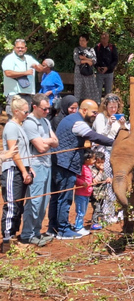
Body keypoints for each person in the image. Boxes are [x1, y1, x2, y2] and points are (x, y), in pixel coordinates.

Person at [48, 100, 114, 240]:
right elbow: (94, 136)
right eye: (94, 112)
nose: (95, 115)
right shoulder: (78, 123)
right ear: (84, 110)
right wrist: (114, 142)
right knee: (64, 198)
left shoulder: (71, 119)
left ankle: (53, 227)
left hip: (60, 162)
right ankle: (63, 229)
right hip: (65, 164)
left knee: (56, 197)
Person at [20, 93, 59, 246]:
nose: (47, 111)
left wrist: (47, 140)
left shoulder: (45, 121)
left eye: (48, 108)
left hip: (47, 165)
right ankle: (27, 233)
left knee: (44, 202)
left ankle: (36, 232)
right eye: (44, 109)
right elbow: (41, 148)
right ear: (34, 107)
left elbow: (56, 142)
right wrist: (48, 141)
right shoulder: (30, 123)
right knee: (34, 202)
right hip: (36, 165)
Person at [1, 96, 34, 247]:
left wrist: (29, 168)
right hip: (13, 170)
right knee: (12, 205)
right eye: (25, 112)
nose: (27, 114)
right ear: (16, 111)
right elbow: (14, 152)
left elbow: (24, 150)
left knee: (19, 205)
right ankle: (7, 239)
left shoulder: (19, 125)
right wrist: (23, 171)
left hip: (22, 168)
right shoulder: (11, 127)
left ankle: (13, 236)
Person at [92, 93, 126, 223]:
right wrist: (109, 124)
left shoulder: (119, 117)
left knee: (115, 179)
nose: (113, 110)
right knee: (107, 181)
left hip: (116, 151)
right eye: (111, 107)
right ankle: (106, 213)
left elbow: (124, 134)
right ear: (105, 106)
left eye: (115, 107)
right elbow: (100, 136)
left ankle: (115, 210)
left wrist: (122, 125)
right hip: (103, 151)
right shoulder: (100, 117)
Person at [2, 39, 44, 115]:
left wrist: (37, 67)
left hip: (27, 95)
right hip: (14, 95)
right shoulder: (9, 59)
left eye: (22, 47)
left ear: (25, 48)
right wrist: (25, 73)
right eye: (18, 47)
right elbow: (8, 73)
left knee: (25, 120)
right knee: (13, 119)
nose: (20, 49)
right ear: (14, 48)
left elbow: (41, 69)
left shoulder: (29, 58)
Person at [73, 149, 95, 236]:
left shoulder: (88, 168)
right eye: (93, 159)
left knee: (83, 211)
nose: (94, 161)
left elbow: (89, 178)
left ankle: (79, 225)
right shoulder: (81, 168)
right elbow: (75, 178)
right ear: (87, 159)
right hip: (81, 194)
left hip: (86, 194)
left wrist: (93, 180)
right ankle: (78, 227)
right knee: (80, 211)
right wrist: (82, 183)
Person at [74, 34, 100, 104]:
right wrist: (88, 60)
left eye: (83, 40)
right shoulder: (77, 50)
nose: (81, 42)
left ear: (87, 41)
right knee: (78, 91)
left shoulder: (91, 50)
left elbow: (94, 61)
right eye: (80, 40)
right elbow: (77, 61)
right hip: (79, 74)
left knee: (90, 91)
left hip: (89, 74)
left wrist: (84, 59)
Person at [90, 151, 111, 230]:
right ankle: (94, 222)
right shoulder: (93, 170)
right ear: (95, 162)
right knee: (97, 209)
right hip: (96, 194)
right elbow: (96, 180)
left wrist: (108, 179)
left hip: (102, 193)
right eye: (98, 163)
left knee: (102, 208)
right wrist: (101, 172)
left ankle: (101, 221)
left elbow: (105, 178)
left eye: (102, 163)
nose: (100, 165)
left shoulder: (103, 170)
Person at [94, 32, 118, 96]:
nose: (103, 40)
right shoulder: (97, 47)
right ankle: (98, 105)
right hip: (99, 73)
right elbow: (94, 59)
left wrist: (108, 68)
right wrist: (97, 67)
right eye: (102, 38)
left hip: (109, 73)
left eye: (105, 38)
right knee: (98, 91)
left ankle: (108, 104)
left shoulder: (112, 47)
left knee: (108, 92)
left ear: (108, 39)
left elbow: (115, 60)